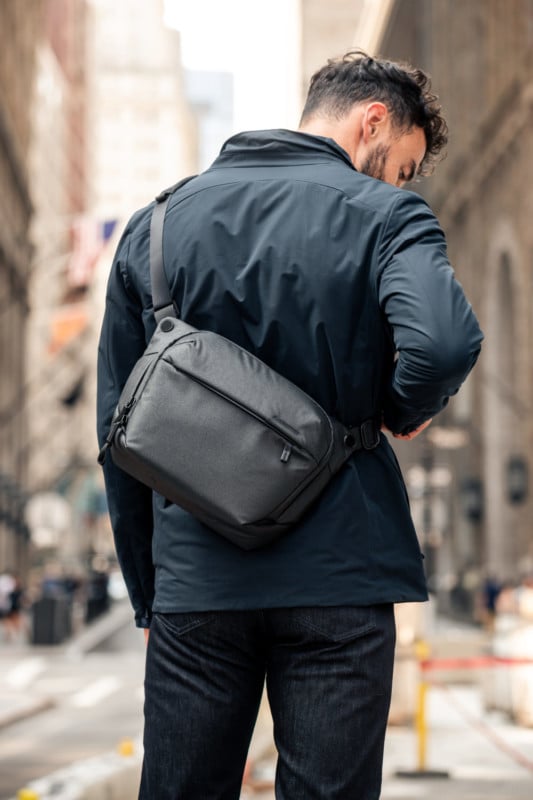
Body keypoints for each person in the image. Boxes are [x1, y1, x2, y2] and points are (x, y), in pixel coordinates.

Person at [97, 51, 483, 799]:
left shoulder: (159, 225)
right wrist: (397, 412)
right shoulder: (386, 217)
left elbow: (121, 432)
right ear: (373, 119)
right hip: (341, 569)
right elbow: (441, 343)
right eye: (399, 166)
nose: (395, 185)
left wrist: (152, 591)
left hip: (198, 580)